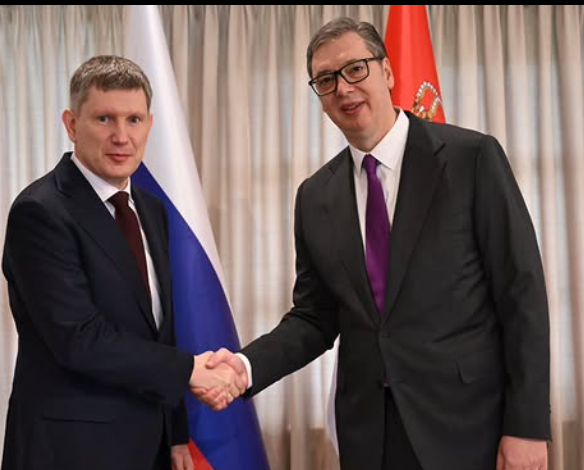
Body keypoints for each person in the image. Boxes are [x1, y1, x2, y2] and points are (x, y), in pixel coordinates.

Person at [200, 17, 551, 470]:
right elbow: (314, 317)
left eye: (355, 69)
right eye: (326, 79)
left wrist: (527, 426)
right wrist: (244, 367)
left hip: (467, 426)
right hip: (369, 434)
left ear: (386, 72)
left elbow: (521, 294)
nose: (343, 88)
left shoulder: (472, 159)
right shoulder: (315, 196)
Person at [1, 55, 243, 470]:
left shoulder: (150, 208)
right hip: (71, 450)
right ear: (71, 124)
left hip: (151, 445)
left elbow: (159, 329)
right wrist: (190, 370)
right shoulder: (39, 212)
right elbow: (80, 339)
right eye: (104, 119)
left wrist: (176, 433)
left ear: (150, 124)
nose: (121, 136)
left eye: (134, 120)